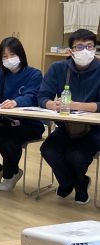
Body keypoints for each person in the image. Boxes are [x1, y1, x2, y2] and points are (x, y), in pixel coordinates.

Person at [0, 37, 44, 192]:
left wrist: (16, 102)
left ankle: (11, 174)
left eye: (12, 55)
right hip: (0, 121)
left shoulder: (34, 74)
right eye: (4, 56)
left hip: (26, 123)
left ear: (21, 55)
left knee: (7, 141)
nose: (8, 59)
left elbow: (32, 96)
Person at [38, 28, 100, 204]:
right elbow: (42, 96)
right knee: (48, 150)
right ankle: (69, 182)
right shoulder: (58, 68)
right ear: (70, 51)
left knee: (76, 155)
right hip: (66, 127)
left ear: (95, 49)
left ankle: (80, 185)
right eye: (79, 47)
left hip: (95, 130)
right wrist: (51, 104)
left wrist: (76, 105)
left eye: (89, 46)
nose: (85, 50)